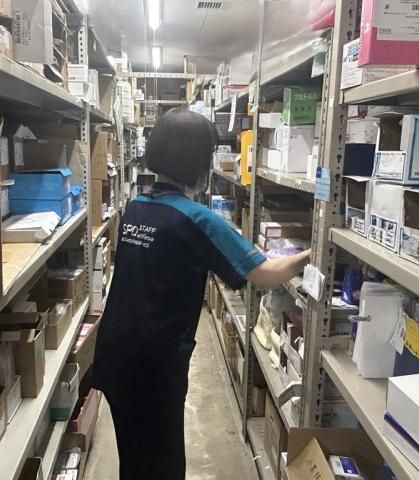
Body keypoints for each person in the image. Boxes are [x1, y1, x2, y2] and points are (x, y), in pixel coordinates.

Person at [92, 109, 310, 480]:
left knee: (135, 455)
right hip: (154, 365)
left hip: (114, 353)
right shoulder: (196, 219)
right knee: (162, 466)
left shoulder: (136, 208)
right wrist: (314, 253)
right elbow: (265, 275)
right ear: (198, 161)